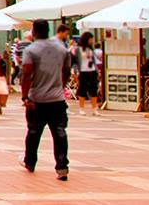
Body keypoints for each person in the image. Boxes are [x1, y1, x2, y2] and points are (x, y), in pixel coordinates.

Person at [20, 19, 71, 181]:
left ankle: (30, 162)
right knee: (60, 132)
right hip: (57, 99)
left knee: (34, 132)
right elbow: (66, 70)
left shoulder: (31, 50)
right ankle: (62, 166)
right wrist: (60, 87)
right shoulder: (61, 48)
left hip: (37, 99)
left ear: (34, 31)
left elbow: (26, 74)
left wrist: (25, 95)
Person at [73, 32, 102, 116]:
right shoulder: (78, 49)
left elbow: (94, 61)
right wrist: (76, 71)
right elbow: (76, 61)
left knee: (94, 90)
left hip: (92, 70)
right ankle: (81, 108)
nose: (92, 41)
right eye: (90, 39)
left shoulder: (90, 49)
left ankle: (94, 109)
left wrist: (97, 71)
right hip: (83, 71)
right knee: (82, 89)